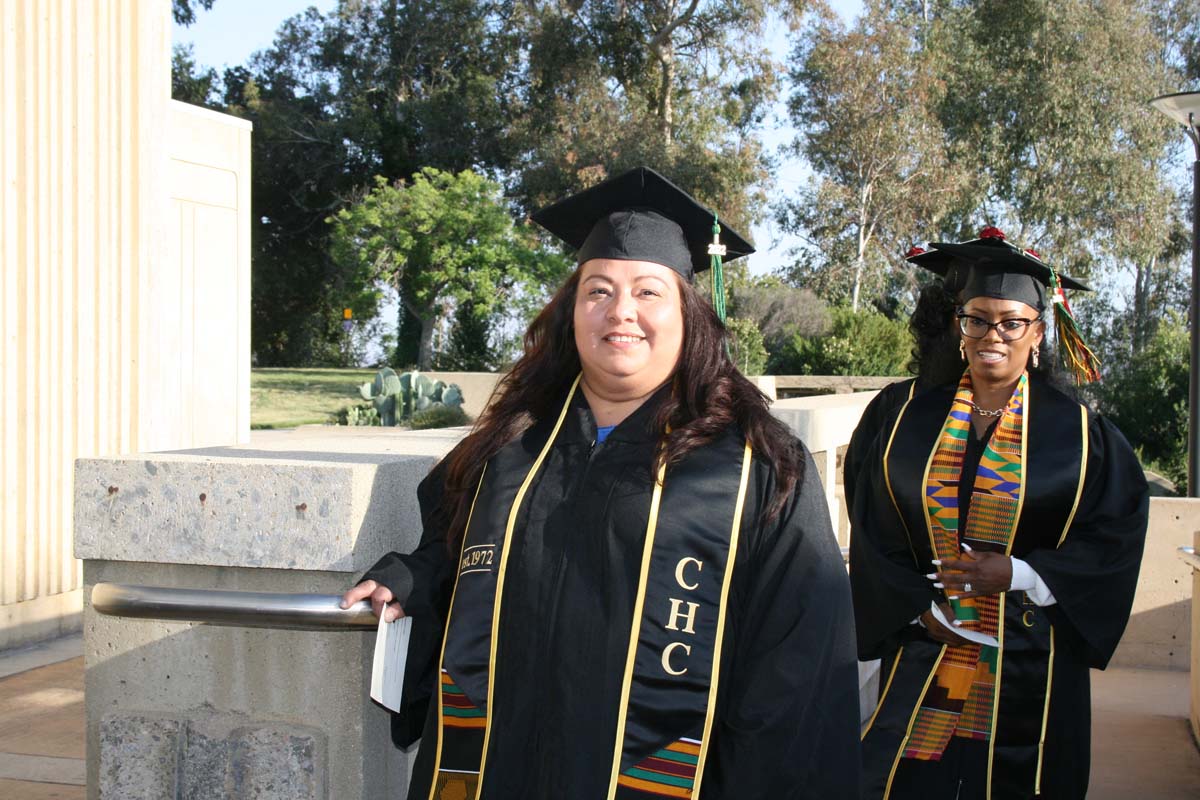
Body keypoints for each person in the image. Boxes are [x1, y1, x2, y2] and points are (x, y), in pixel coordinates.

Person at [341, 166, 861, 800]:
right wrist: (415, 579)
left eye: (648, 292)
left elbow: (798, 674)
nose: (621, 312)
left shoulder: (760, 467)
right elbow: (462, 559)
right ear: (571, 312)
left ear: (688, 314)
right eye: (598, 291)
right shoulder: (510, 451)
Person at [847, 228, 1149, 800]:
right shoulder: (899, 416)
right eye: (977, 319)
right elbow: (870, 525)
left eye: (1013, 322)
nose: (994, 336)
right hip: (922, 649)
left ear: (1038, 334)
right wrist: (918, 611)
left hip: (1032, 663)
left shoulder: (1083, 438)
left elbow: (1114, 538)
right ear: (957, 326)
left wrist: (1020, 575)